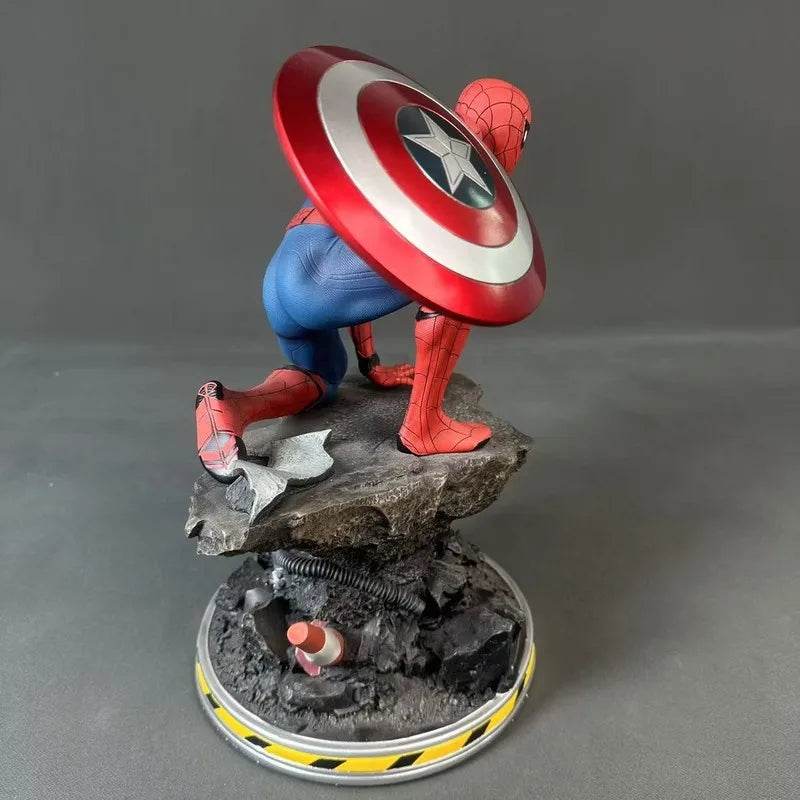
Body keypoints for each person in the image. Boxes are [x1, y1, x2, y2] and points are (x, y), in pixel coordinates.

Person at [196, 78, 533, 480]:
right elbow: (369, 257)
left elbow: (360, 246)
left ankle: (231, 406)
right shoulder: (451, 188)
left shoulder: (402, 142)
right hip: (324, 281)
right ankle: (423, 427)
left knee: (322, 377)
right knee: (461, 277)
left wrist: (370, 364)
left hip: (281, 278)